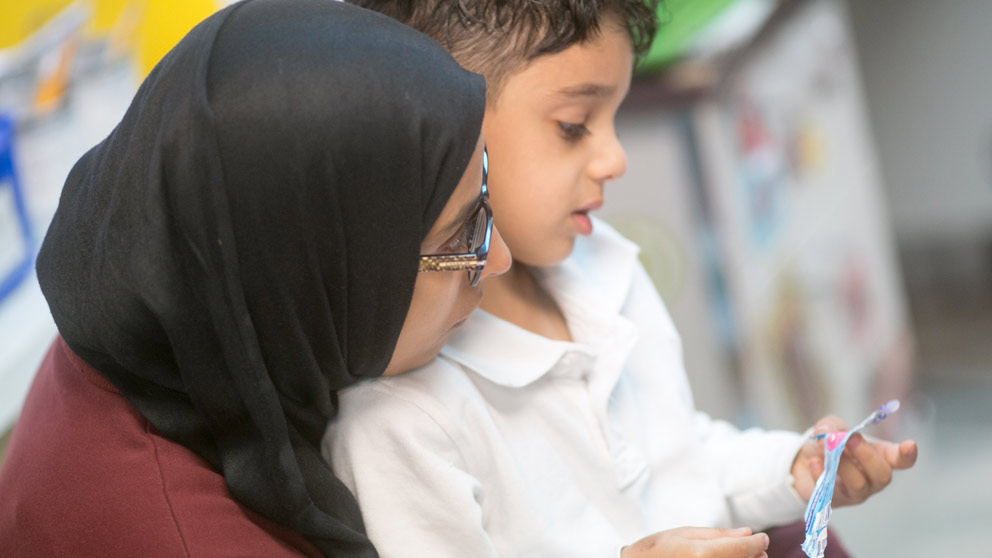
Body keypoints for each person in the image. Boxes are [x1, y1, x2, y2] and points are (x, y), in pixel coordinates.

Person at [323, 2, 919, 557]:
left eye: (615, 117)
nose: (615, 158)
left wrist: (792, 467)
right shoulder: (395, 423)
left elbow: (680, 457)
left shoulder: (604, 269)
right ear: (433, 121)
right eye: (574, 124)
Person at [0, 1, 511, 556]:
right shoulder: (195, 538)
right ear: (308, 271)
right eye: (461, 237)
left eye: (482, 191)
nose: (499, 258)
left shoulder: (163, 314)